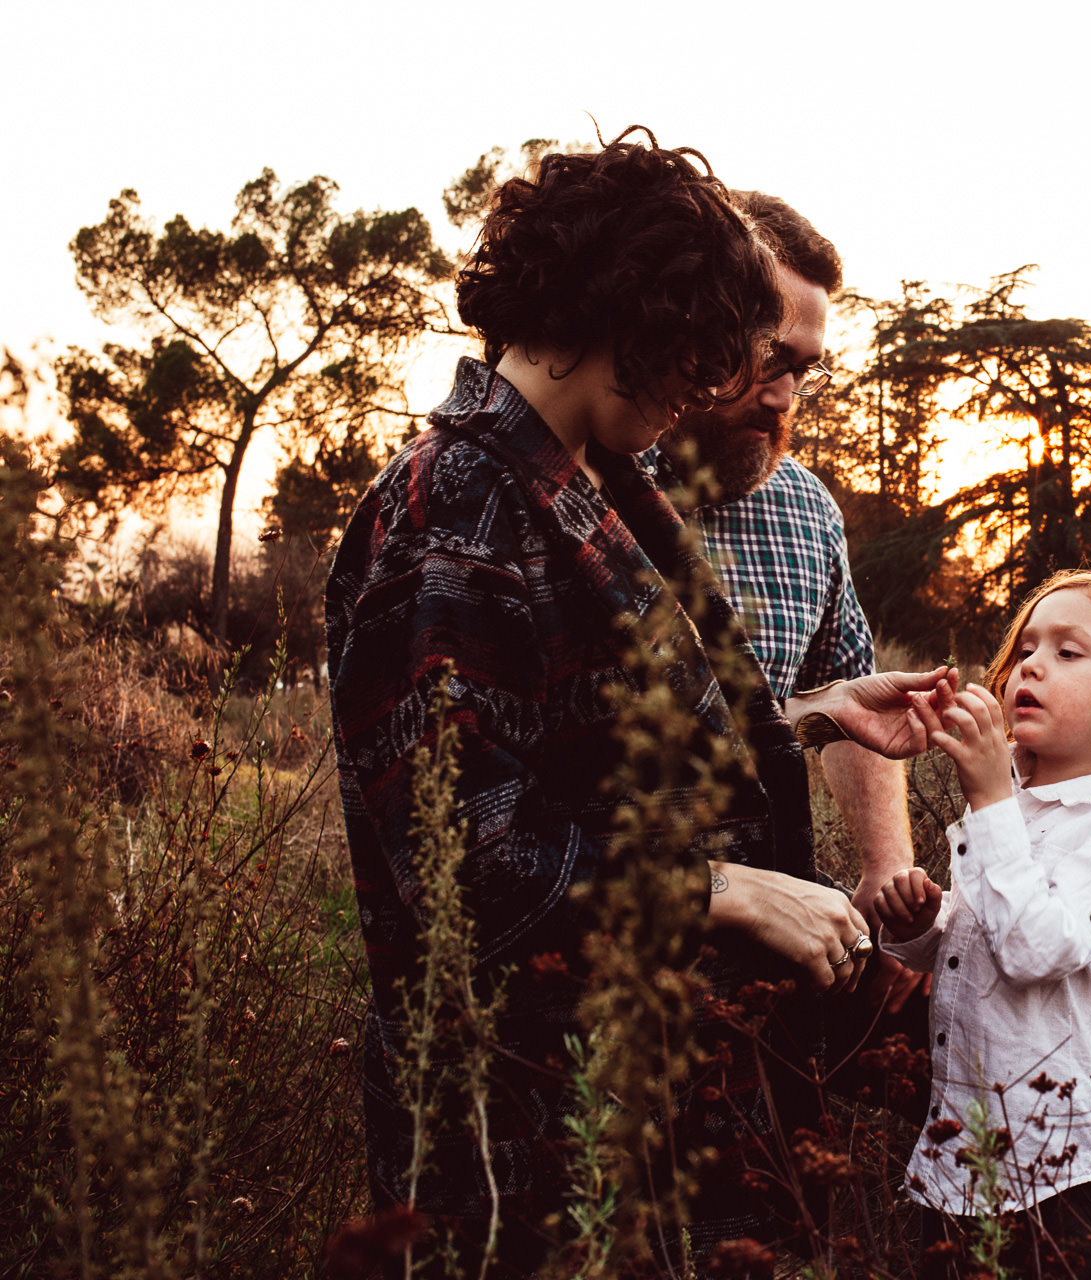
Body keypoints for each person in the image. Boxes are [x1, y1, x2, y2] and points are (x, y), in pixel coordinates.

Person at [325, 129, 949, 1276]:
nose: (707, 386)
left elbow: (614, 743)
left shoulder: (580, 486)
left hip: (656, 1106)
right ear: (632, 315)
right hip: (526, 1140)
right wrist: (724, 890)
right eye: (700, 348)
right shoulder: (453, 511)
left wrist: (809, 716)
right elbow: (461, 860)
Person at [874, 570, 1091, 1280]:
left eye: (1068, 652)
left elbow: (1037, 947)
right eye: (1026, 648)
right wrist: (919, 926)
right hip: (965, 1152)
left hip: (1064, 1173)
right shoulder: (1013, 808)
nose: (1030, 664)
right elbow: (982, 949)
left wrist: (990, 799)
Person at [642, 190, 923, 1017]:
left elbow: (845, 692)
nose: (786, 396)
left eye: (807, 368)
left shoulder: (804, 508)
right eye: (771, 360)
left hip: (767, 978)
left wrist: (886, 869)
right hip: (601, 970)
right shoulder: (579, 491)